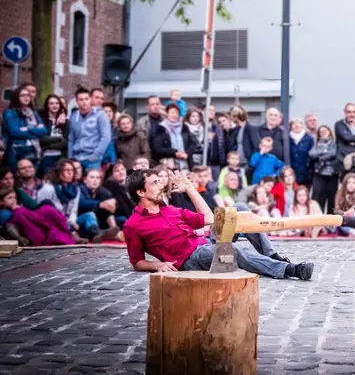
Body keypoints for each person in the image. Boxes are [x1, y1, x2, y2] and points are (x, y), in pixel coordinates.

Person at [123, 169, 314, 279]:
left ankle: (273, 256)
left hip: (205, 244)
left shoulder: (171, 210)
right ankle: (289, 270)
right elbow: (137, 262)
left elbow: (209, 218)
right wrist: (157, 266)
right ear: (141, 192)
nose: (161, 186)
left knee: (237, 209)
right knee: (231, 251)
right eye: (155, 183)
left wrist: (190, 188)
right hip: (190, 260)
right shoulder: (133, 225)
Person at [67, 88, 112, 171]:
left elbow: (106, 137)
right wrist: (70, 157)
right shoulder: (74, 116)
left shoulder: (101, 115)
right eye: (81, 99)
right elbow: (71, 139)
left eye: (86, 99)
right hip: (76, 159)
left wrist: (95, 155)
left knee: (92, 183)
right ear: (77, 101)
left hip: (92, 160)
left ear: (90, 99)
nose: (84, 102)